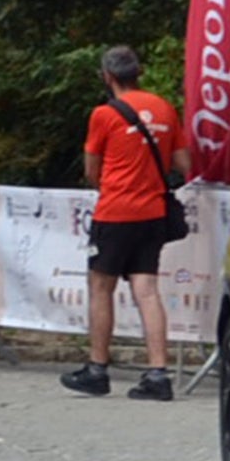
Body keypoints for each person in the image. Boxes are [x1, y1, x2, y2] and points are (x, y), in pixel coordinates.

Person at [62, 45, 189, 401]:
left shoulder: (104, 115)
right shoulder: (165, 108)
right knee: (147, 290)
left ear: (107, 76)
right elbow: (183, 162)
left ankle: (97, 369)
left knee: (100, 286)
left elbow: (91, 169)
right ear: (140, 72)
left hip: (115, 212)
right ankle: (158, 374)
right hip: (153, 214)